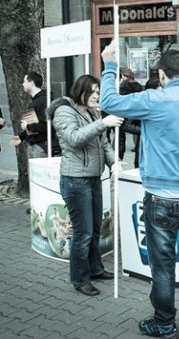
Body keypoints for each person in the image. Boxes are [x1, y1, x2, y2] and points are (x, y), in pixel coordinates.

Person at [100, 43, 179, 339]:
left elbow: (109, 102)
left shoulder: (153, 99)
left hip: (161, 197)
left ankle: (165, 323)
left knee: (163, 265)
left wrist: (110, 65)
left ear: (161, 74)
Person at [47, 74, 124, 297]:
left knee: (95, 229)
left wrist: (114, 162)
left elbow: (104, 143)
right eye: (92, 91)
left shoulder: (92, 113)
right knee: (83, 233)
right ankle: (80, 279)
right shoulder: (64, 111)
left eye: (98, 92)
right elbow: (74, 138)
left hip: (93, 178)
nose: (96, 96)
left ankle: (95, 269)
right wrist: (103, 123)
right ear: (80, 90)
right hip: (75, 180)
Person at [11, 71, 57, 158]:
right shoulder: (36, 101)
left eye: (24, 81)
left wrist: (27, 126)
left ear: (31, 83)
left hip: (42, 146)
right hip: (35, 145)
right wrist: (21, 137)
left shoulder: (43, 101)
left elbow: (47, 125)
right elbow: (33, 124)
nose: (23, 84)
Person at [118, 68, 143, 161]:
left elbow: (120, 97)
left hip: (125, 113)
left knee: (120, 135)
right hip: (136, 112)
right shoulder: (139, 86)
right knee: (138, 137)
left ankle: (119, 156)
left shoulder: (124, 86)